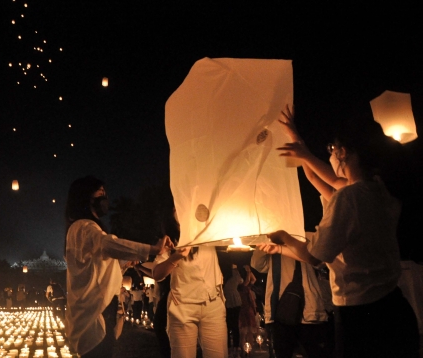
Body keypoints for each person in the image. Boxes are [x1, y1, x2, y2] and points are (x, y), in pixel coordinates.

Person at [259, 111, 420, 357]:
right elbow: (314, 176)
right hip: (393, 309)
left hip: (364, 318)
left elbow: (314, 256)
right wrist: (298, 142)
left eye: (332, 148)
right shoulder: (378, 190)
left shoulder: (348, 198)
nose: (331, 154)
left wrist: (283, 237)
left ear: (344, 152)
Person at [64, 175, 173, 358]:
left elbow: (98, 268)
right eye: (101, 193)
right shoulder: (84, 227)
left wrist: (121, 266)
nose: (105, 198)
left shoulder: (82, 228)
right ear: (86, 197)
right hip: (95, 313)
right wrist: (153, 249)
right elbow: (108, 244)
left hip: (97, 310)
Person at [153, 243, 228, 358]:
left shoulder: (209, 233)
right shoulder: (174, 239)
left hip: (213, 304)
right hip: (182, 307)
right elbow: (157, 273)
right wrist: (176, 256)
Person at [223, 264, 244, 357]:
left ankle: (231, 347)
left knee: (229, 325)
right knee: (232, 325)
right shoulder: (234, 277)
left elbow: (241, 281)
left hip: (230, 302)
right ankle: (234, 347)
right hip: (231, 302)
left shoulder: (230, 277)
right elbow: (241, 280)